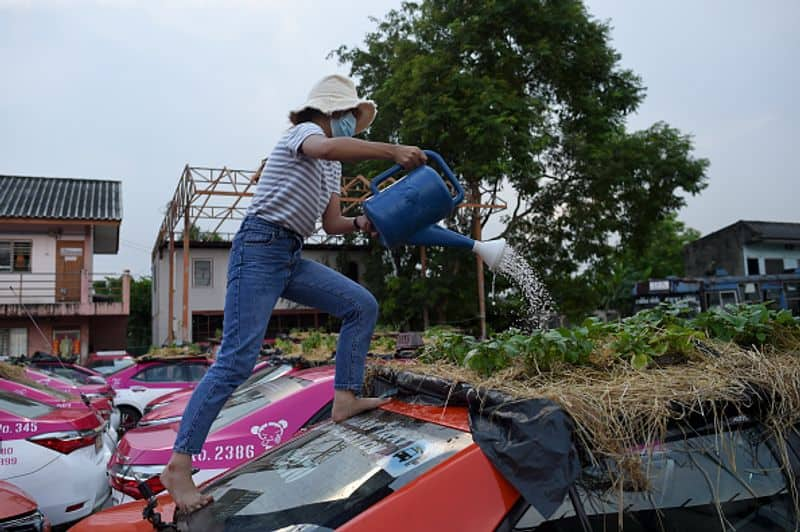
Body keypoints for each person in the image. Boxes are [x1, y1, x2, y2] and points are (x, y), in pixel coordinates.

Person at [160, 74, 427, 513]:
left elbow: (332, 224)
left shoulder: (334, 166)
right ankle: (179, 465)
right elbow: (324, 146)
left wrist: (366, 222)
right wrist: (391, 151)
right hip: (259, 246)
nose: (351, 126)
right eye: (348, 117)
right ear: (330, 112)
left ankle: (344, 399)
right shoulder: (303, 133)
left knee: (362, 305)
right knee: (236, 360)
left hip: (289, 254)